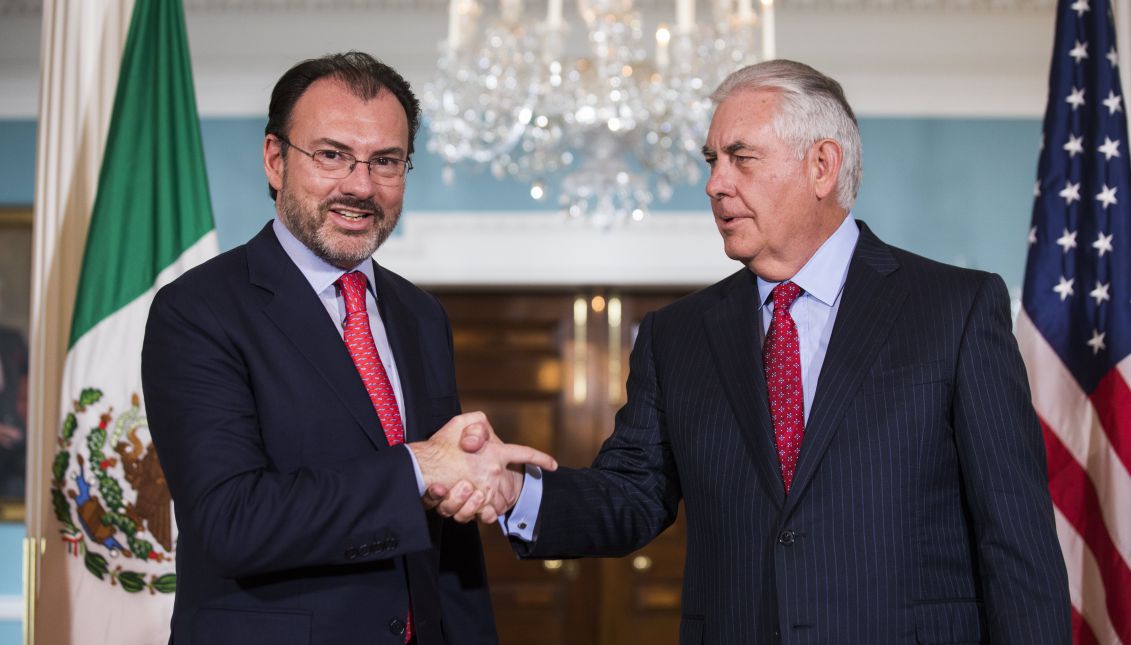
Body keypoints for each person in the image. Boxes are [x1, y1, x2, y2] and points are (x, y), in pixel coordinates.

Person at [435, 60, 1072, 643]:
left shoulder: (955, 309)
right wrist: (515, 491)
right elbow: (631, 496)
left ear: (822, 166)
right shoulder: (677, 336)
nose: (715, 184)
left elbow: (1015, 540)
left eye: (741, 158)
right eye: (712, 159)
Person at [141, 52, 554, 645]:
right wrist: (419, 465)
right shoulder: (198, 310)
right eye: (332, 155)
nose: (361, 186)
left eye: (385, 161)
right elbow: (231, 520)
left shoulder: (421, 315)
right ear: (275, 160)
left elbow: (442, 531)